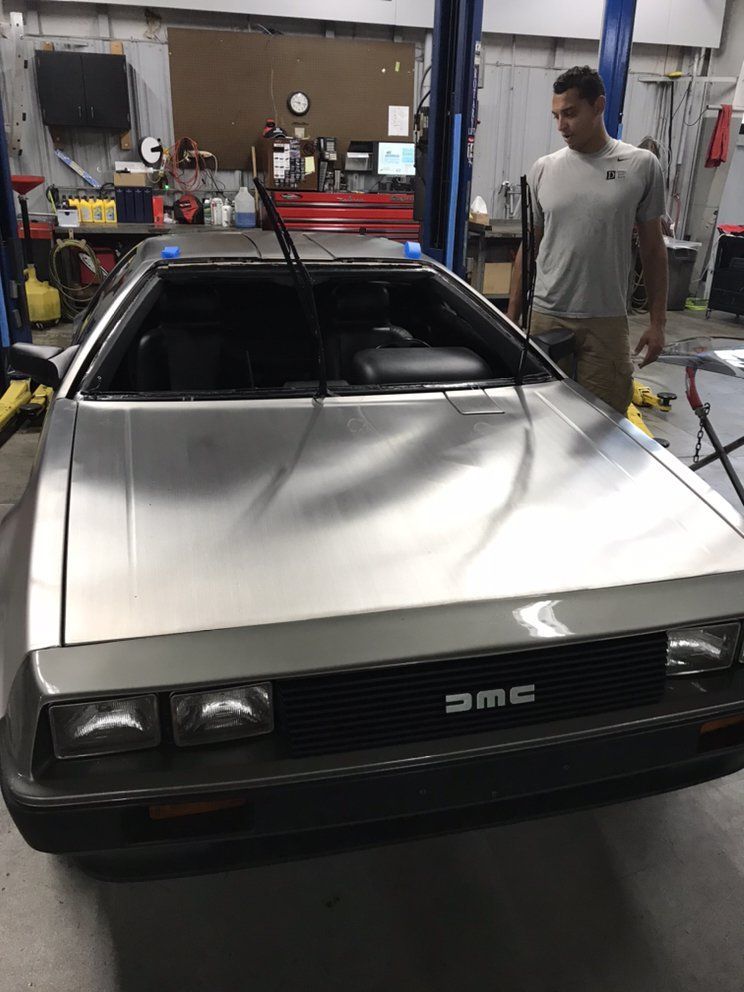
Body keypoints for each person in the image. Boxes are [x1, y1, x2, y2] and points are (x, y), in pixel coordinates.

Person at [507, 65, 668, 415]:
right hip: (547, 315)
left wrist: (657, 324)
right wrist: (511, 318)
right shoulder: (544, 169)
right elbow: (529, 248)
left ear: (598, 106)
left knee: (605, 421)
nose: (561, 125)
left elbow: (654, 249)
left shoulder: (641, 166)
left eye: (570, 113)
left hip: (606, 320)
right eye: (556, 116)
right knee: (540, 416)